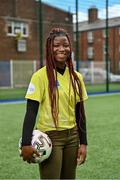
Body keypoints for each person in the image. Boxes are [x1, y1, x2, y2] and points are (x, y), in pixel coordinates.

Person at [21, 27, 88, 179]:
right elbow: (31, 112)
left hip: (72, 137)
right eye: (56, 45)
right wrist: (26, 143)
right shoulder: (40, 76)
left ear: (70, 48)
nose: (61, 49)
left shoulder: (77, 78)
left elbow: (80, 113)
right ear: (49, 48)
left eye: (65, 45)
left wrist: (83, 143)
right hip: (50, 137)